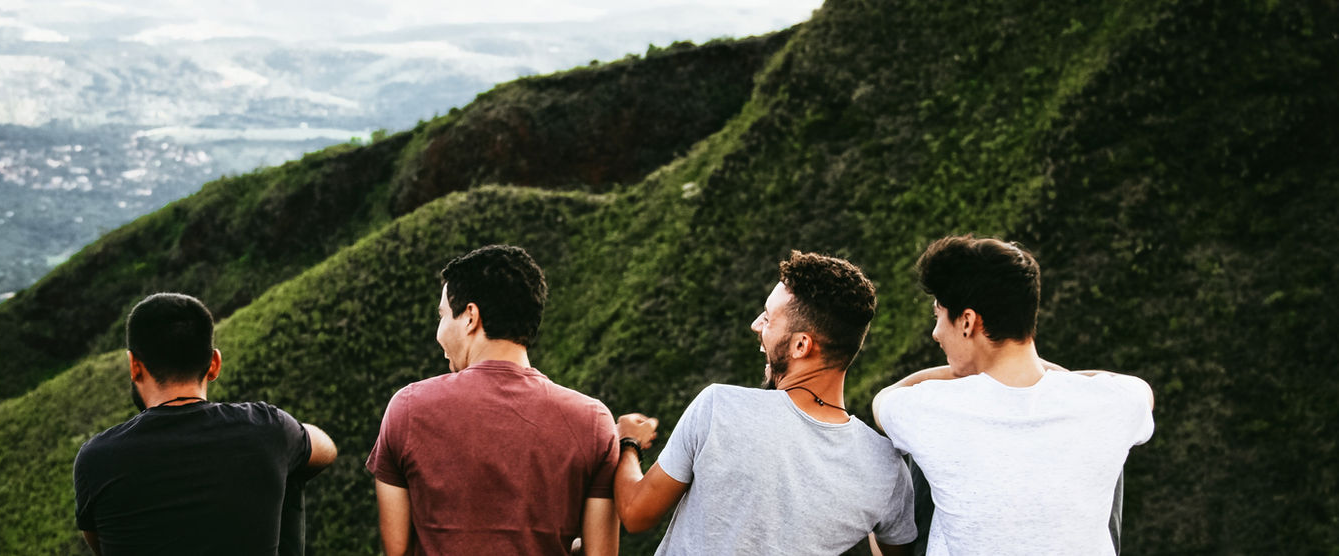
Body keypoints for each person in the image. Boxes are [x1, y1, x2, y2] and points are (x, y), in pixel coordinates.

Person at [615, 250, 918, 555]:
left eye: (768, 318)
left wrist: (629, 442)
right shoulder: (886, 469)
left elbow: (635, 513)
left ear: (801, 345)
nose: (755, 325)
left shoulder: (719, 408)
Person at [873, 235, 1155, 555]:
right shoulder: (1108, 403)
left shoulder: (931, 407)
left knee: (903, 460)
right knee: (1106, 447)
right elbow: (1142, 393)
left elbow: (884, 401)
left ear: (967, 321)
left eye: (938, 315)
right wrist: (1042, 369)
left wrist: (962, 370)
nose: (936, 333)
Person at [367, 245, 620, 556]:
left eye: (443, 315)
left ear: (471, 316)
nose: (439, 332)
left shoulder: (408, 408)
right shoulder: (593, 422)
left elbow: (397, 549)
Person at [73, 292, 338, 555]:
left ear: (134, 366)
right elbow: (327, 450)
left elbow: (102, 545)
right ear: (214, 364)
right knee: (290, 468)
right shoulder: (268, 429)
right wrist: (285, 439)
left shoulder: (96, 459)